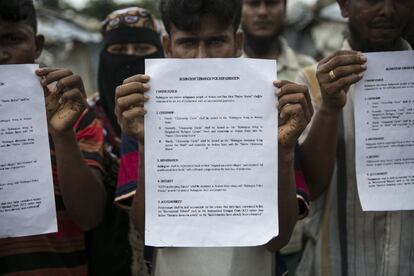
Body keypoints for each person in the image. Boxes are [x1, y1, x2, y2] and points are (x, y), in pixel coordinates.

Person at [114, 0, 313, 275]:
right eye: (187, 43)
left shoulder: (272, 109)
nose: (202, 57)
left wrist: (285, 152)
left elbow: (278, 238)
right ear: (168, 46)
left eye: (216, 41)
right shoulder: (145, 112)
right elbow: (147, 227)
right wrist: (149, 145)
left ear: (238, 42)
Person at [297, 0, 414, 275]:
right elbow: (308, 188)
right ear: (345, 6)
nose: (387, 10)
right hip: (336, 265)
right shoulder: (313, 84)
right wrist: (329, 107)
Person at [0, 0, 106, 274]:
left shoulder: (74, 114)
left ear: (37, 44)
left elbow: (90, 217)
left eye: (13, 39)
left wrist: (63, 137)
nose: (1, 54)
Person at [87, 6, 165, 276]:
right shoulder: (81, 120)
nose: (131, 59)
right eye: (118, 52)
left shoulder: (180, 119)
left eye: (143, 50)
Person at [241, 0, 315, 271]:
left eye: (271, 3)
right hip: (235, 237)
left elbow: (314, 164)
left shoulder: (310, 71)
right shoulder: (219, 73)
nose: (262, 12)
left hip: (295, 238)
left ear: (284, 8)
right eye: (252, 3)